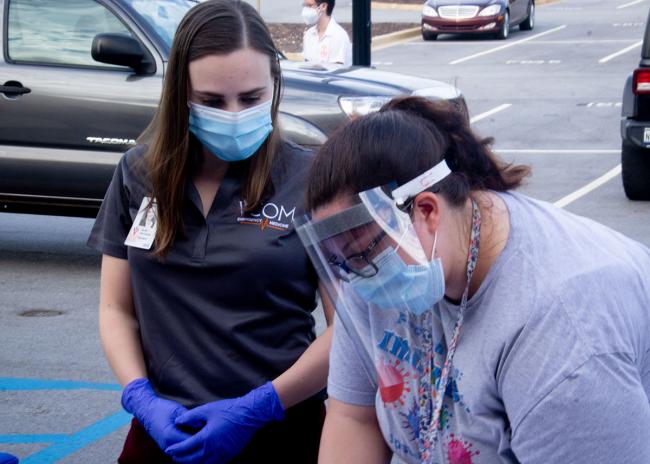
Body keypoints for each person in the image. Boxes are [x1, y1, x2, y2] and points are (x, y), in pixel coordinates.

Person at [296, 96, 650, 463]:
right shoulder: (377, 260)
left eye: (358, 254)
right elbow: (355, 418)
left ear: (428, 211)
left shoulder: (564, 332)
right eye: (340, 261)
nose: (355, 276)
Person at [87, 1, 333, 463]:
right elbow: (115, 308)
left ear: (275, 87)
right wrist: (141, 399)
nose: (236, 115)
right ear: (179, 93)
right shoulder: (137, 173)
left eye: (253, 97)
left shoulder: (315, 178)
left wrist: (259, 407)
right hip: (166, 433)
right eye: (213, 101)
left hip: (284, 430)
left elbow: (349, 329)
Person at [301, 0, 352, 67]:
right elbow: (306, 64)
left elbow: (335, 71)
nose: (306, 10)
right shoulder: (309, 34)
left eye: (310, 5)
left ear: (324, 6)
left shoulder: (338, 35)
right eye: (305, 5)